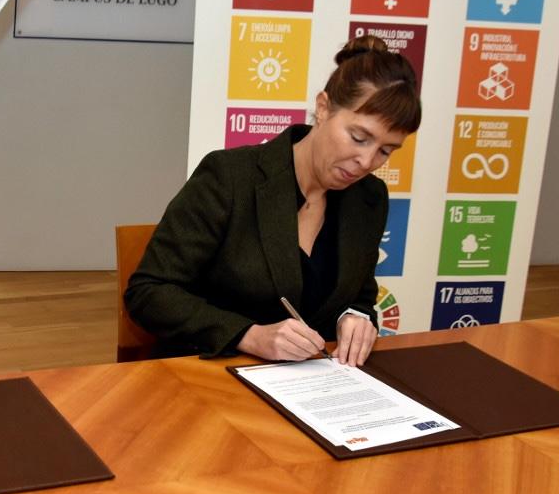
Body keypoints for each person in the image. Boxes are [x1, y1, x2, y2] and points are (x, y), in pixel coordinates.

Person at [125, 36, 420, 367]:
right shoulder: (230, 177)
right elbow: (149, 292)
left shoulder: (369, 198)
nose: (366, 161)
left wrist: (355, 317)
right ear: (323, 108)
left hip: (314, 387)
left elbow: (360, 295)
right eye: (359, 138)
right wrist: (249, 335)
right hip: (211, 376)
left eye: (385, 150)